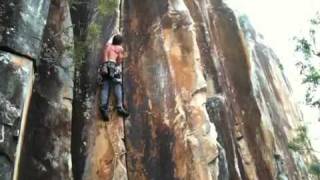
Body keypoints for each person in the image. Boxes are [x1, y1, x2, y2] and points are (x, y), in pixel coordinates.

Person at [99, 34, 129, 121]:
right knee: (117, 85)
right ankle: (119, 107)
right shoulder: (119, 48)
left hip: (104, 67)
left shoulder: (108, 46)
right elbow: (119, 61)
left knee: (105, 88)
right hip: (113, 66)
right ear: (120, 42)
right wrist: (122, 58)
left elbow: (105, 56)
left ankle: (103, 108)